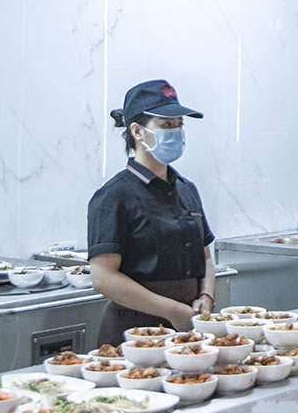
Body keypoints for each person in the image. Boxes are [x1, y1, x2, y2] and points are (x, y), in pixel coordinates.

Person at [88, 80, 215, 345]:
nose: (176, 132)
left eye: (179, 124)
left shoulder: (186, 189)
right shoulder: (114, 195)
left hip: (188, 329)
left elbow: (205, 257)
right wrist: (173, 311)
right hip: (134, 334)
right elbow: (102, 277)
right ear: (137, 131)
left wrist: (206, 296)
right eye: (166, 125)